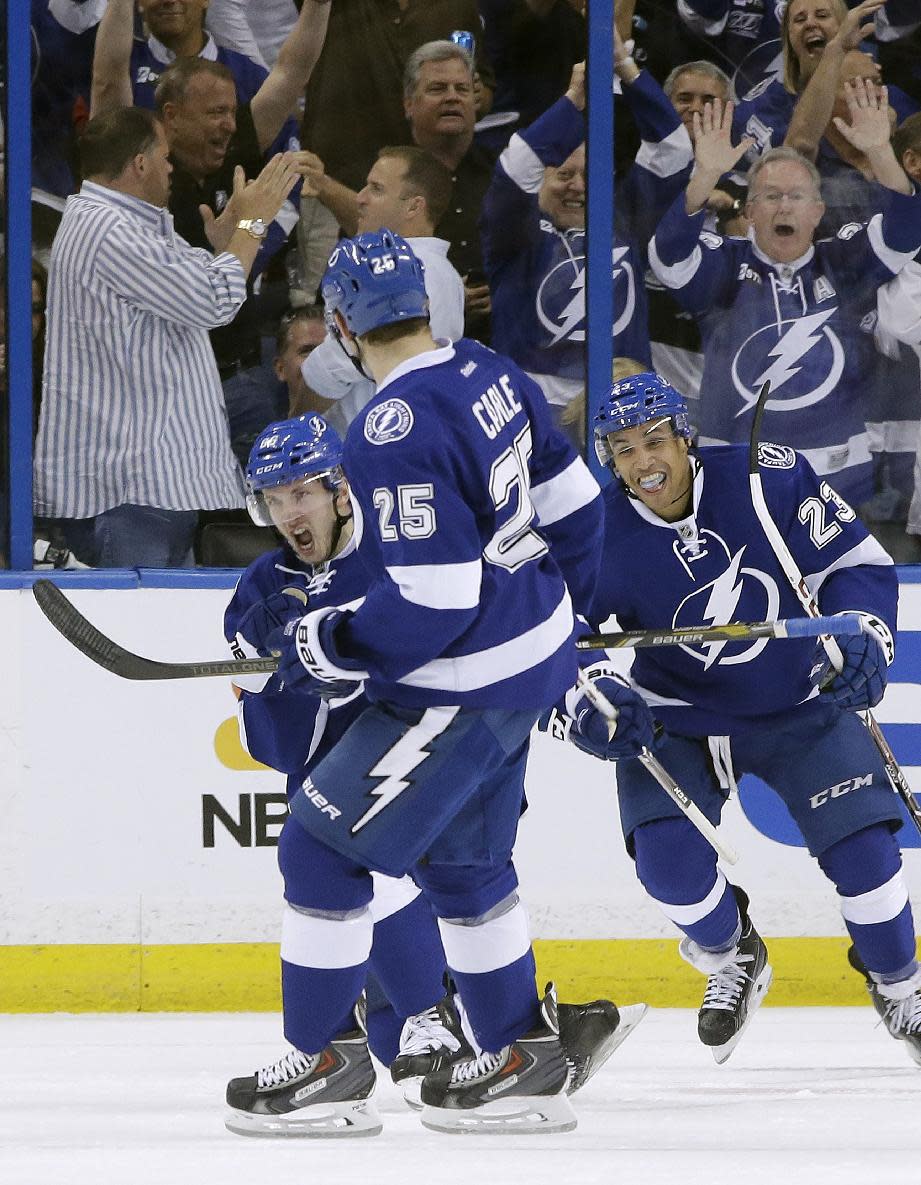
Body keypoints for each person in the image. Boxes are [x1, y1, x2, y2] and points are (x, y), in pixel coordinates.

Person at [221, 228, 619, 1136]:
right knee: (465, 865)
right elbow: (578, 507)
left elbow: (436, 599)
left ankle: (324, 1063)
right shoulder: (490, 370)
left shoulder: (388, 429)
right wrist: (562, 617)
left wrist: (336, 642)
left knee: (319, 849)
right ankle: (519, 1056)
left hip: (461, 681)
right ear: (428, 304)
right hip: (529, 661)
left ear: (339, 326)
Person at [545, 369, 921, 1067]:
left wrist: (865, 631)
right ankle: (731, 953)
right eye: (622, 449)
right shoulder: (594, 531)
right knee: (668, 869)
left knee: (865, 856)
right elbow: (554, 635)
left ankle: (900, 988)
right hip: (674, 719)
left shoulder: (766, 480)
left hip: (797, 702)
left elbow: (853, 562)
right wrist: (591, 698)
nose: (642, 460)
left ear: (684, 436)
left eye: (654, 439)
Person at [33, 106, 300, 567]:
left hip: (150, 489)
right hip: (130, 489)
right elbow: (215, 299)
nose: (171, 167)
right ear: (140, 163)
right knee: (129, 636)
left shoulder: (124, 224)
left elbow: (202, 286)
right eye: (165, 155)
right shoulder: (107, 229)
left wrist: (226, 245)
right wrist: (253, 225)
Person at [649, 91, 921, 507]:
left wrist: (881, 151)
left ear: (817, 210)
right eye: (771, 197)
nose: (784, 208)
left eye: (796, 197)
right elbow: (669, 254)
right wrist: (704, 175)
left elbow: (905, 231)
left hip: (837, 477)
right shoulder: (724, 266)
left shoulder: (843, 261)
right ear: (751, 211)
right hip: (735, 475)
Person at [481, 49, 692, 447]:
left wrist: (626, 68)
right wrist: (573, 101)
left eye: (589, 174)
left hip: (623, 412)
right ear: (540, 179)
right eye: (563, 174)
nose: (578, 185)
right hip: (530, 415)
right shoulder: (516, 237)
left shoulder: (624, 222)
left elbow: (673, 151)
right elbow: (513, 171)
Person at [301, 41, 495, 339]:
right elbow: (351, 289)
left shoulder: (502, 174)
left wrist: (505, 295)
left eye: (462, 89)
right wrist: (445, 300)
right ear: (408, 104)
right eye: (438, 89)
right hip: (399, 349)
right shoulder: (378, 179)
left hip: (498, 348)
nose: (452, 97)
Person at [300, 145, 464, 431]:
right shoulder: (443, 273)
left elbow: (331, 370)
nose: (360, 198)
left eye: (376, 189)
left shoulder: (400, 276)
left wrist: (295, 425)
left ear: (414, 206)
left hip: (370, 449)